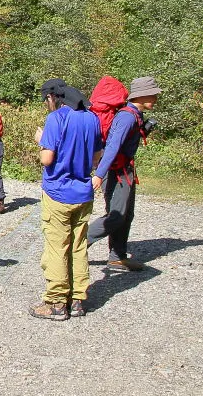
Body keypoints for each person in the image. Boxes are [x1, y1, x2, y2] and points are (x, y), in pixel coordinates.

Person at [29, 79, 103, 321]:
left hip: (58, 192)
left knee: (57, 247)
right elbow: (96, 158)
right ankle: (78, 299)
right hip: (83, 192)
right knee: (79, 245)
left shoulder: (56, 119)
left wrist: (42, 141)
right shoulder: (92, 118)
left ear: (53, 97)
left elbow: (47, 159)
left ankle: (57, 302)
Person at [87, 76, 161, 271]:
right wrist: (99, 175)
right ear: (142, 96)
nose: (156, 99)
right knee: (116, 216)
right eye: (153, 95)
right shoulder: (127, 117)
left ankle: (117, 256)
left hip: (124, 171)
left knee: (126, 215)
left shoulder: (134, 115)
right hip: (115, 172)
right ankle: (77, 245)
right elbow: (112, 147)